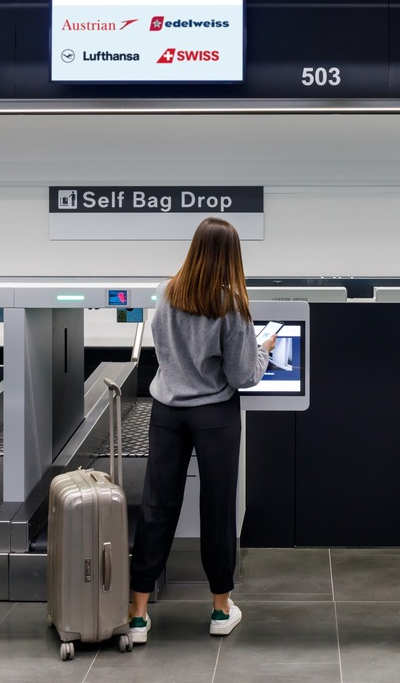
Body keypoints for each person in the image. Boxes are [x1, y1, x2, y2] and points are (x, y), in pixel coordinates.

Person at [127, 218, 276, 643]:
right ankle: (219, 610)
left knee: (157, 507)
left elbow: (164, 349)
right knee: (217, 509)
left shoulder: (166, 292)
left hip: (167, 411)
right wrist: (263, 351)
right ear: (232, 256)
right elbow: (243, 374)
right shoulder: (231, 305)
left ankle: (137, 615)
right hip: (214, 415)